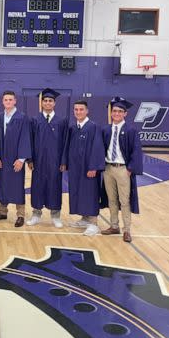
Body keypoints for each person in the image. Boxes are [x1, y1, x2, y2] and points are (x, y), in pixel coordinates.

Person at [100, 97, 143, 242]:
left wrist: (130, 168)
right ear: (111, 113)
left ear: (125, 114)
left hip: (123, 169)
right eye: (114, 111)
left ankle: (127, 230)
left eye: (120, 111)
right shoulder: (105, 129)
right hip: (108, 168)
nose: (116, 113)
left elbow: (136, 151)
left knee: (124, 200)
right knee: (112, 199)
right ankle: (114, 226)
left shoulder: (131, 130)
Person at [0, 90, 31, 227]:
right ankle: (2, 211)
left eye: (10, 100)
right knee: (3, 184)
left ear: (15, 101)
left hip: (15, 158)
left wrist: (21, 159)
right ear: (2, 101)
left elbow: (25, 138)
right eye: (5, 100)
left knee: (17, 185)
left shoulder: (22, 117)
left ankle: (20, 215)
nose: (8, 102)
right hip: (2, 157)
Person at [63, 100, 106, 236]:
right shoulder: (73, 128)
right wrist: (66, 162)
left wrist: (94, 167)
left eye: (81, 109)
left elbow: (98, 148)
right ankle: (85, 218)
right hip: (76, 168)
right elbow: (67, 147)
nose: (78, 112)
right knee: (79, 192)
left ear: (87, 111)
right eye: (76, 109)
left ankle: (94, 223)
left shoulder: (93, 127)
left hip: (89, 168)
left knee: (90, 194)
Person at [27, 89, 68, 228]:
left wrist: (63, 161)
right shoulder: (35, 120)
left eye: (50, 101)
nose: (47, 103)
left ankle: (55, 216)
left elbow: (65, 142)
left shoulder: (61, 121)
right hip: (38, 161)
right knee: (37, 186)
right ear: (42, 103)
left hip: (55, 161)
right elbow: (30, 141)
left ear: (54, 103)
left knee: (55, 187)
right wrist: (30, 159)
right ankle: (36, 214)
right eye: (45, 101)